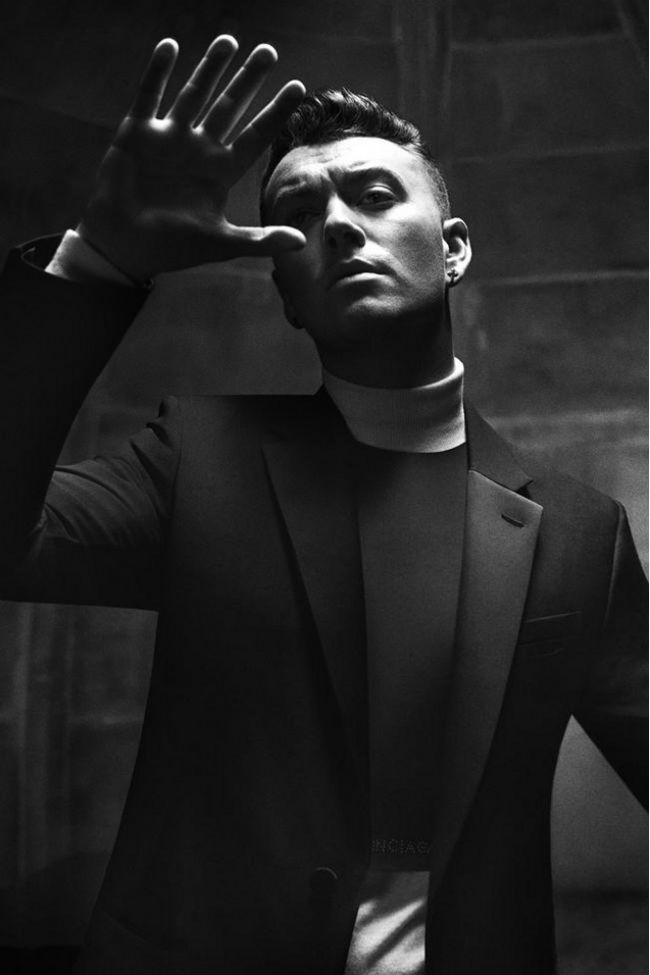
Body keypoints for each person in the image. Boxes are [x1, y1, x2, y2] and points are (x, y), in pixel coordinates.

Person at [0, 34, 646, 975]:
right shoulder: (199, 458)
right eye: (299, 215)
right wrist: (98, 262)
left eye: (374, 195)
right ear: (286, 294)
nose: (338, 225)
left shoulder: (583, 532)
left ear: (454, 249)